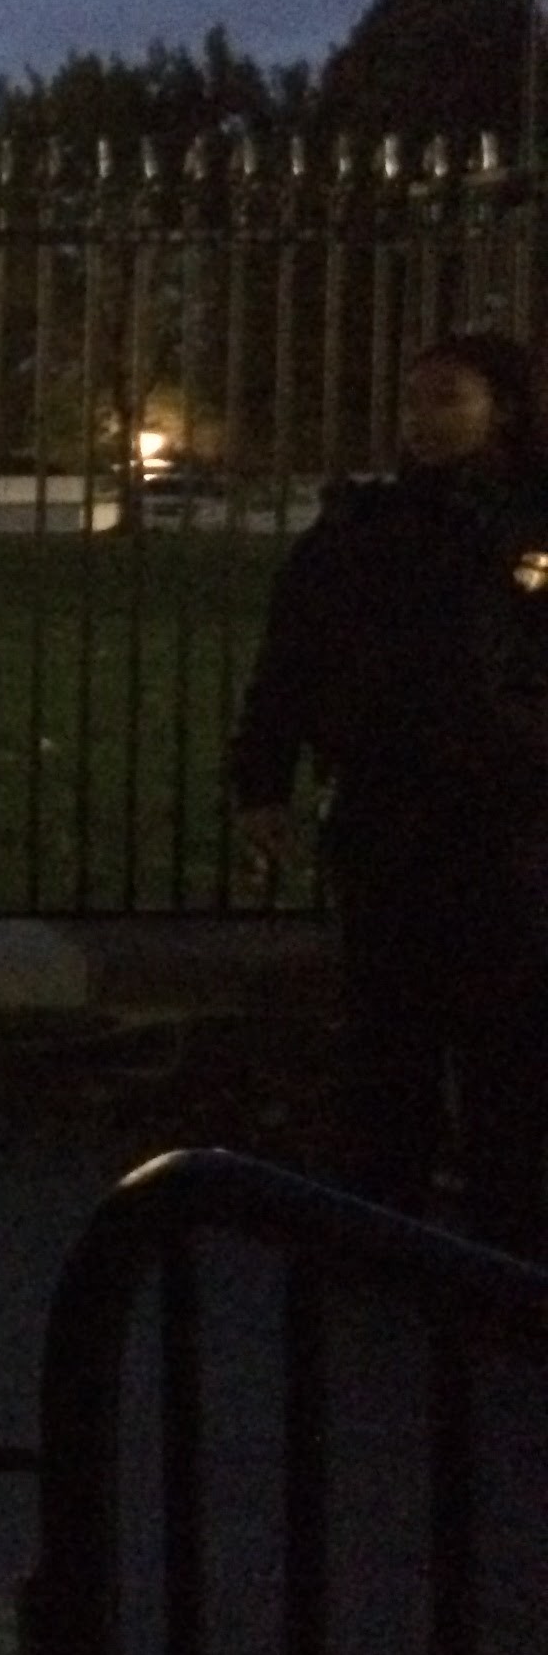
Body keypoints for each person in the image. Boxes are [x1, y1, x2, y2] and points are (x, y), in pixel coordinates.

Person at [229, 330, 548, 1254]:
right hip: (389, 809)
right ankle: (383, 1219)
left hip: (509, 815)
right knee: (386, 1029)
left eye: (447, 398)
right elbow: (290, 659)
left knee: (509, 1041)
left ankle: (508, 1234)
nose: (423, 420)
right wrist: (264, 779)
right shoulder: (362, 528)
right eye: (414, 402)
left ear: (504, 407)